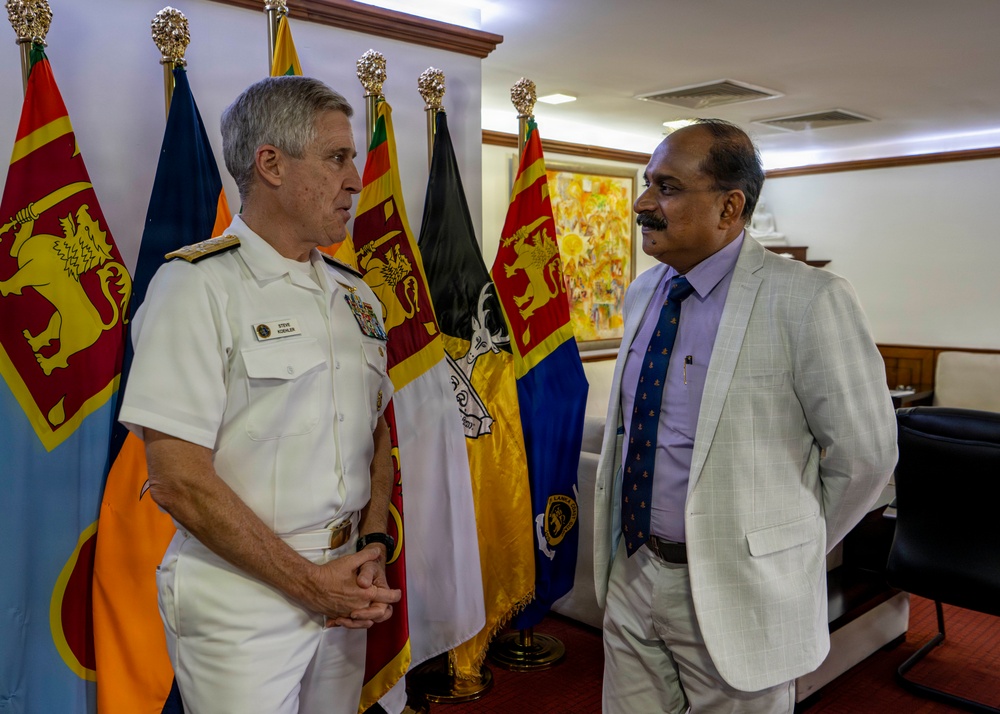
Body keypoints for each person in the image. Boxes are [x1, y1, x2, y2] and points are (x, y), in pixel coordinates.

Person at [593, 119, 897, 713]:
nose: (643, 203)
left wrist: (788, 548)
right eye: (648, 183)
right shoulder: (644, 292)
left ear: (729, 207)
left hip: (741, 592)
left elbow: (867, 457)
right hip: (632, 571)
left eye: (667, 187)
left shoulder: (809, 299)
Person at [118, 76, 401, 714]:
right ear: (271, 164)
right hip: (240, 595)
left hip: (346, 580)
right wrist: (309, 583)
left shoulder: (356, 295)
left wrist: (373, 543)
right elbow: (177, 480)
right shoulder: (196, 286)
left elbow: (376, 430)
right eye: (336, 158)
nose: (356, 179)